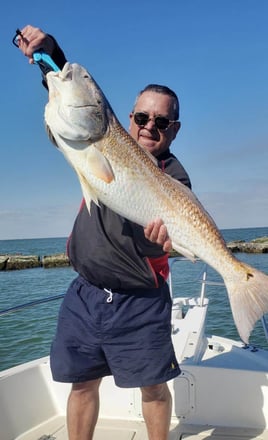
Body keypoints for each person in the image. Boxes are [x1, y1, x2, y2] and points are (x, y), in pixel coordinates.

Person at [17, 25, 192, 440]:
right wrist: (50, 54)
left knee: (152, 387)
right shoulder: (96, 140)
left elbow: (171, 232)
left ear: (174, 129)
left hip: (140, 298)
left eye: (161, 120)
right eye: (142, 116)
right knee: (82, 384)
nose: (150, 125)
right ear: (129, 118)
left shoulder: (175, 176)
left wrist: (164, 239)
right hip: (86, 293)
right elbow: (79, 105)